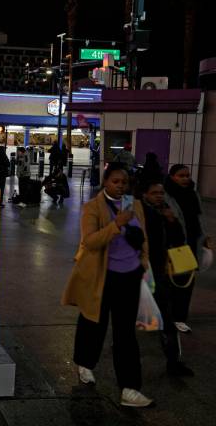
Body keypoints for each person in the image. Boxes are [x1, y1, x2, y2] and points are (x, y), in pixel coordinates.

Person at [62, 164, 152, 407]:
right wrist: (116, 225)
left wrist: (143, 263)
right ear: (105, 182)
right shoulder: (92, 207)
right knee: (94, 323)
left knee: (125, 334)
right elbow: (90, 241)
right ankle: (85, 363)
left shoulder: (136, 206)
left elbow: (144, 237)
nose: (120, 186)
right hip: (102, 276)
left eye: (124, 182)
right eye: (115, 181)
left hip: (130, 276)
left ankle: (130, 388)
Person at [140, 180, 194, 376]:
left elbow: (179, 240)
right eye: (154, 193)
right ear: (145, 194)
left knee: (165, 317)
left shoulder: (165, 211)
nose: (159, 196)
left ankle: (173, 360)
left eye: (161, 193)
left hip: (158, 273)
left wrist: (172, 221)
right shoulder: (140, 211)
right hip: (141, 272)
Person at [164, 164, 210, 333]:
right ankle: (169, 317)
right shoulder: (165, 195)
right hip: (175, 245)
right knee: (172, 283)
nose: (185, 178)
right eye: (181, 175)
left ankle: (179, 318)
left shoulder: (193, 194)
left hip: (191, 243)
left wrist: (204, 237)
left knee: (185, 283)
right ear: (172, 177)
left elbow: (199, 217)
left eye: (187, 175)